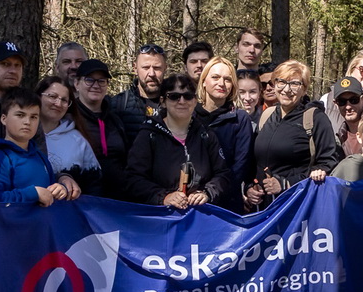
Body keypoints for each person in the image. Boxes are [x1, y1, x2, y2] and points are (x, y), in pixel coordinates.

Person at [123, 73, 229, 208]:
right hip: (160, 215)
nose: (182, 101)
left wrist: (207, 193)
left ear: (195, 101)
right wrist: (163, 197)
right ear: (163, 101)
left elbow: (223, 174)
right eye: (174, 96)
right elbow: (133, 179)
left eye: (188, 96)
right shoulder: (149, 134)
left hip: (199, 214)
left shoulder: (206, 134)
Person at [243, 59, 338, 211]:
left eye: (294, 84)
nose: (287, 89)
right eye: (281, 82)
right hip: (262, 208)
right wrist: (249, 187)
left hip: (295, 207)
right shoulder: (267, 115)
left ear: (304, 89)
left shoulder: (315, 119)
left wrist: (285, 183)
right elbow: (253, 161)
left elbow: (328, 163)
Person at [0, 88, 73, 206]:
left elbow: (49, 194)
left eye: (33, 117)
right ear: (4, 119)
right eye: (20, 115)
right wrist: (32, 194)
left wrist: (59, 190)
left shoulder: (41, 157)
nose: (27, 122)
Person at [193, 56, 254, 211]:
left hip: (226, 205)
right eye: (215, 77)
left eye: (227, 79)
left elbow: (240, 167)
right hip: (190, 201)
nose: (221, 83)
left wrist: (211, 193)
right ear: (204, 81)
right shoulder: (189, 116)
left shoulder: (240, 119)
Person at [71, 58, 130, 197]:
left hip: (118, 199)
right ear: (77, 84)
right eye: (89, 80)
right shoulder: (69, 119)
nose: (96, 85)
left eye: (101, 81)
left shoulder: (115, 119)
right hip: (81, 199)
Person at [35, 76, 101, 190]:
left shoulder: (78, 140)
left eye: (64, 100)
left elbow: (94, 185)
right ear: (38, 96)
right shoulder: (22, 134)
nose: (58, 103)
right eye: (52, 96)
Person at [110, 44, 167, 143]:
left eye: (157, 68)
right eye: (146, 67)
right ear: (135, 68)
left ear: (165, 68)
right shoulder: (118, 104)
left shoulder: (178, 103)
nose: (151, 73)